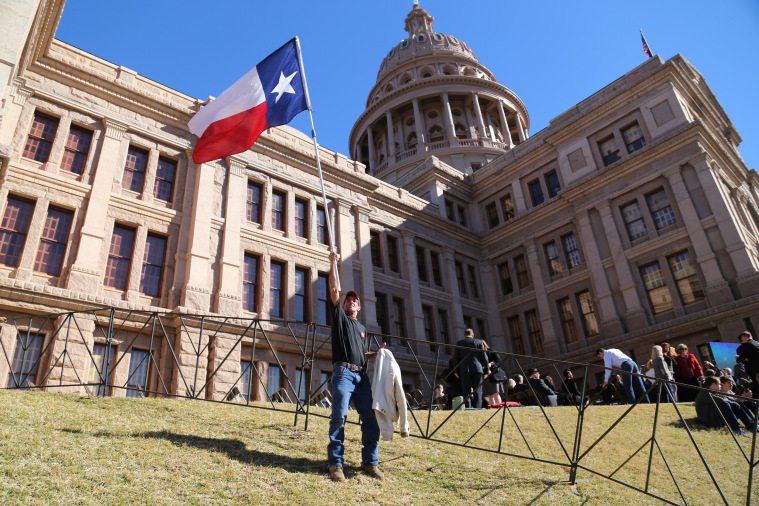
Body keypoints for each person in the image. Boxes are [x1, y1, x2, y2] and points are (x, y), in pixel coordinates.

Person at [326, 252, 382, 482]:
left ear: (358, 306)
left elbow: (361, 353)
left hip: (362, 377)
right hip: (343, 374)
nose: (350, 302)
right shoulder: (340, 318)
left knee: (371, 417)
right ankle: (335, 463)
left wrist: (377, 354)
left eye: (353, 300)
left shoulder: (361, 328)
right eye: (347, 299)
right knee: (339, 415)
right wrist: (332, 263)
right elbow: (333, 291)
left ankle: (370, 463)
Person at [455, 328, 489, 408]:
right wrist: (487, 370)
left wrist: (456, 370)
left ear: (465, 335)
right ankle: (478, 407)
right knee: (478, 390)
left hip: (464, 369)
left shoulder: (459, 343)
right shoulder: (479, 342)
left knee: (466, 390)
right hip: (477, 368)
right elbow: (484, 357)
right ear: (472, 334)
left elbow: (456, 358)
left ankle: (468, 407)